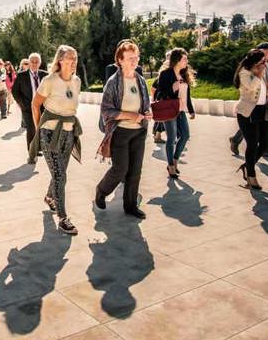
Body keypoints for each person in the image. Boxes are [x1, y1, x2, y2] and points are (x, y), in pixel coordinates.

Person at [94, 41, 152, 219]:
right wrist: (129, 115)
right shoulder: (113, 82)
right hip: (120, 132)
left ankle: (130, 206)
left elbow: (145, 102)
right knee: (120, 169)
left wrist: (147, 112)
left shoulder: (140, 79)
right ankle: (102, 190)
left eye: (136, 58)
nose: (135, 61)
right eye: (130, 58)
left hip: (139, 131)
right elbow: (106, 110)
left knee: (135, 170)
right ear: (120, 60)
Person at [30, 45, 82, 234]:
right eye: (70, 57)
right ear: (60, 60)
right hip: (50, 134)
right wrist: (39, 129)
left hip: (68, 132)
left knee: (60, 172)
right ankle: (63, 218)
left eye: (75, 57)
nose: (74, 61)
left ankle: (50, 197)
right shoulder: (49, 80)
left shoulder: (77, 81)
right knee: (60, 175)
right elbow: (35, 105)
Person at [230, 42, 268, 159]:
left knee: (267, 123)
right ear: (260, 51)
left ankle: (266, 148)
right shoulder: (253, 67)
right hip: (254, 102)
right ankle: (237, 141)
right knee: (251, 128)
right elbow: (253, 85)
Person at [234, 49, 268, 190]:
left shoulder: (258, 72)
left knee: (265, 144)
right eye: (263, 61)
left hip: (262, 111)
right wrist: (260, 73)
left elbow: (260, 93)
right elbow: (251, 87)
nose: (265, 63)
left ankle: (246, 166)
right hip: (248, 113)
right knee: (252, 144)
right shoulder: (245, 72)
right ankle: (251, 176)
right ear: (255, 62)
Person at [157, 48, 195, 178]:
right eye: (184, 59)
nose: (187, 61)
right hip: (170, 109)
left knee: (185, 135)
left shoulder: (184, 75)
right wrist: (173, 87)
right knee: (171, 139)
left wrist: (191, 110)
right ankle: (171, 166)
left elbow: (187, 95)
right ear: (177, 60)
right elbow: (160, 94)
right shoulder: (165, 74)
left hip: (181, 110)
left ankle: (174, 160)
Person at [12, 53, 48, 163]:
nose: (34, 63)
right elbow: (15, 91)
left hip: (43, 107)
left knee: (41, 128)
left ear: (40, 63)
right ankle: (31, 154)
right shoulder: (21, 75)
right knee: (31, 129)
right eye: (32, 61)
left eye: (37, 61)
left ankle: (38, 148)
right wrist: (22, 104)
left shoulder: (45, 75)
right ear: (29, 63)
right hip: (28, 108)